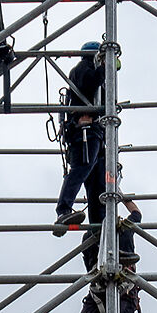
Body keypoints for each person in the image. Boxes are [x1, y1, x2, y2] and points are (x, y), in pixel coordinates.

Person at [52, 43, 109, 231]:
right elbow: (90, 82)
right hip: (85, 130)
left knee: (97, 184)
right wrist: (104, 68)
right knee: (81, 169)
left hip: (96, 132)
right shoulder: (83, 69)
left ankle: (98, 227)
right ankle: (63, 210)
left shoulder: (87, 70)